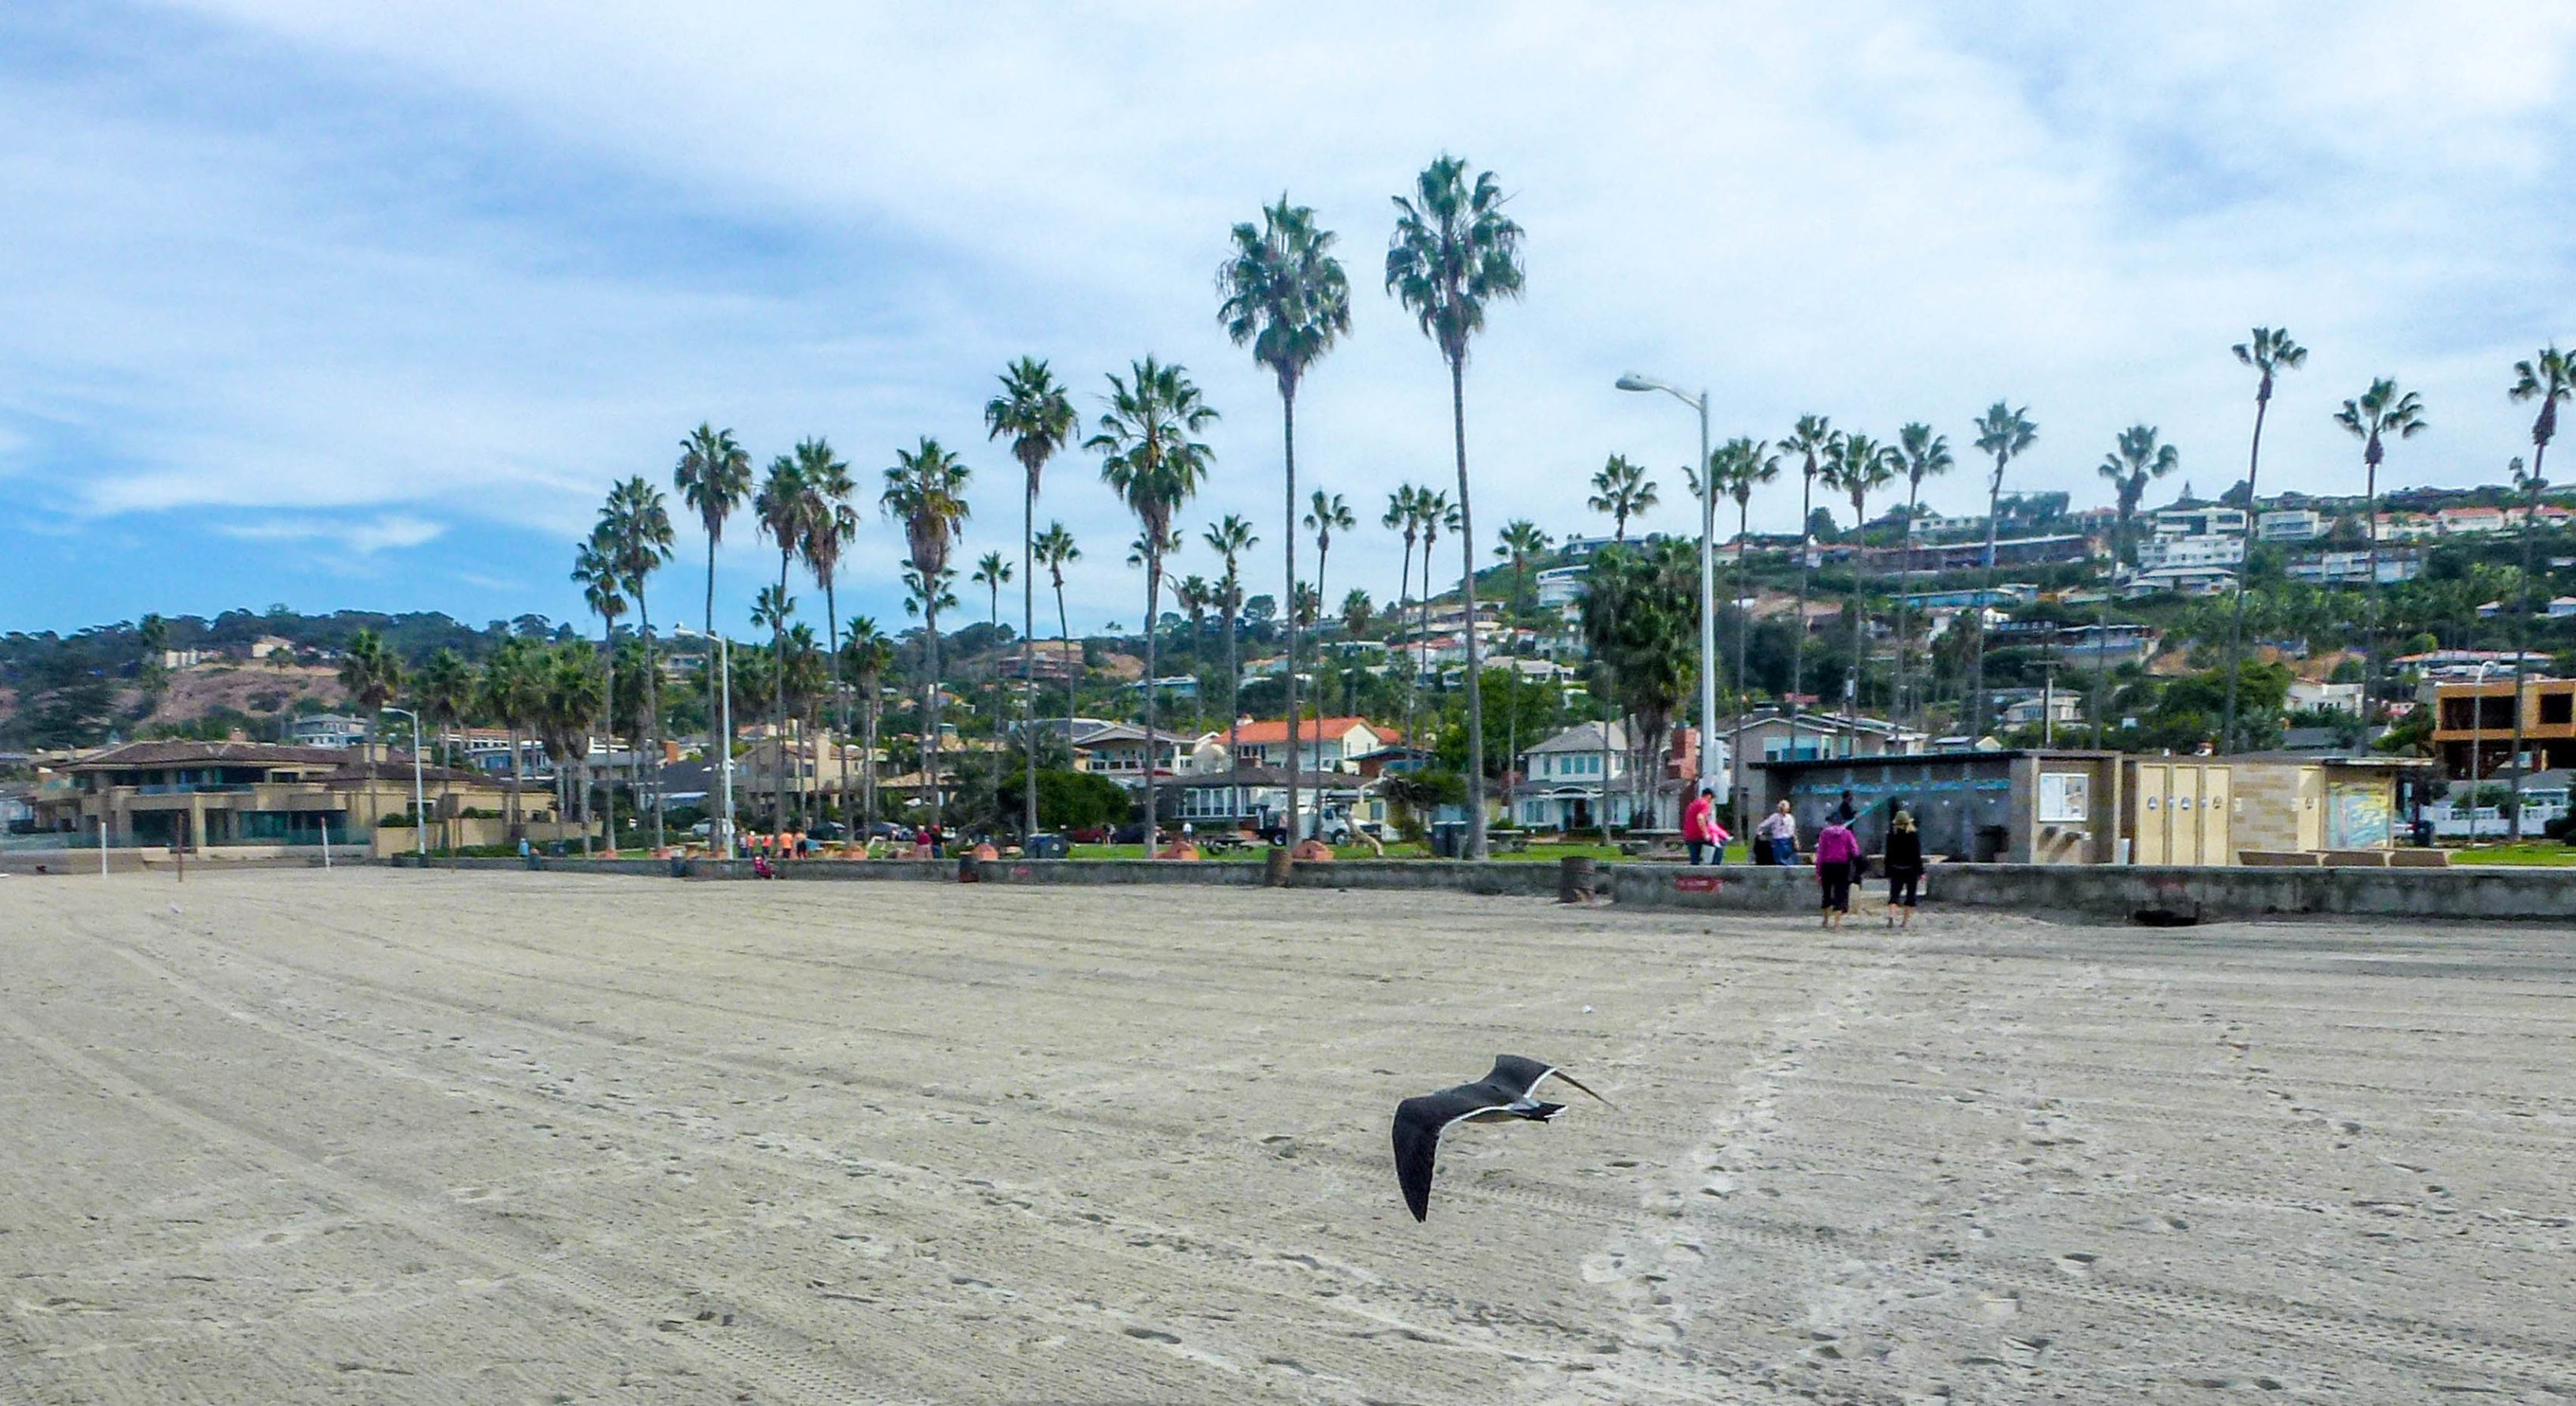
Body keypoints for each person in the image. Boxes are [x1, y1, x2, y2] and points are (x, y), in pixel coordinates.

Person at [1813, 814, 1859, 928]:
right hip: (1843, 866)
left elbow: (1820, 853)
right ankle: (1837, 923)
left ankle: (1825, 920)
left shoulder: (1824, 834)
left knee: (1827, 893)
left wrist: (1818, 872)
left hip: (1827, 866)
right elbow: (1855, 851)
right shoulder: (1847, 834)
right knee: (1840, 894)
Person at [1883, 808, 1924, 928]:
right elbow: (1917, 854)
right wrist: (1921, 871)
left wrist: (1887, 870)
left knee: (1894, 895)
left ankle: (1891, 916)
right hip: (1911, 869)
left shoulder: (1891, 835)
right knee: (1910, 896)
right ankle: (1904, 922)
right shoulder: (1913, 835)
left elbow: (1888, 854)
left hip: (1896, 868)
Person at [1683, 787, 1720, 865]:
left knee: (1694, 862)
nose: (1711, 801)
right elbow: (1700, 817)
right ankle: (1715, 868)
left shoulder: (1693, 804)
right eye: (1712, 799)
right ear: (1709, 796)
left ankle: (1692, 875)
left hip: (1690, 835)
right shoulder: (1704, 804)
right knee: (1720, 843)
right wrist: (1706, 833)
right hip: (1699, 835)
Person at [1755, 800, 1798, 866]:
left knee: (1789, 859)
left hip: (1788, 841)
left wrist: (1795, 840)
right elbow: (1764, 825)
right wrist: (1759, 832)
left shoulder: (1790, 818)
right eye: (1781, 807)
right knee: (1779, 859)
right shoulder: (1775, 817)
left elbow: (1792, 830)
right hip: (1778, 841)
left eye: (1784, 807)